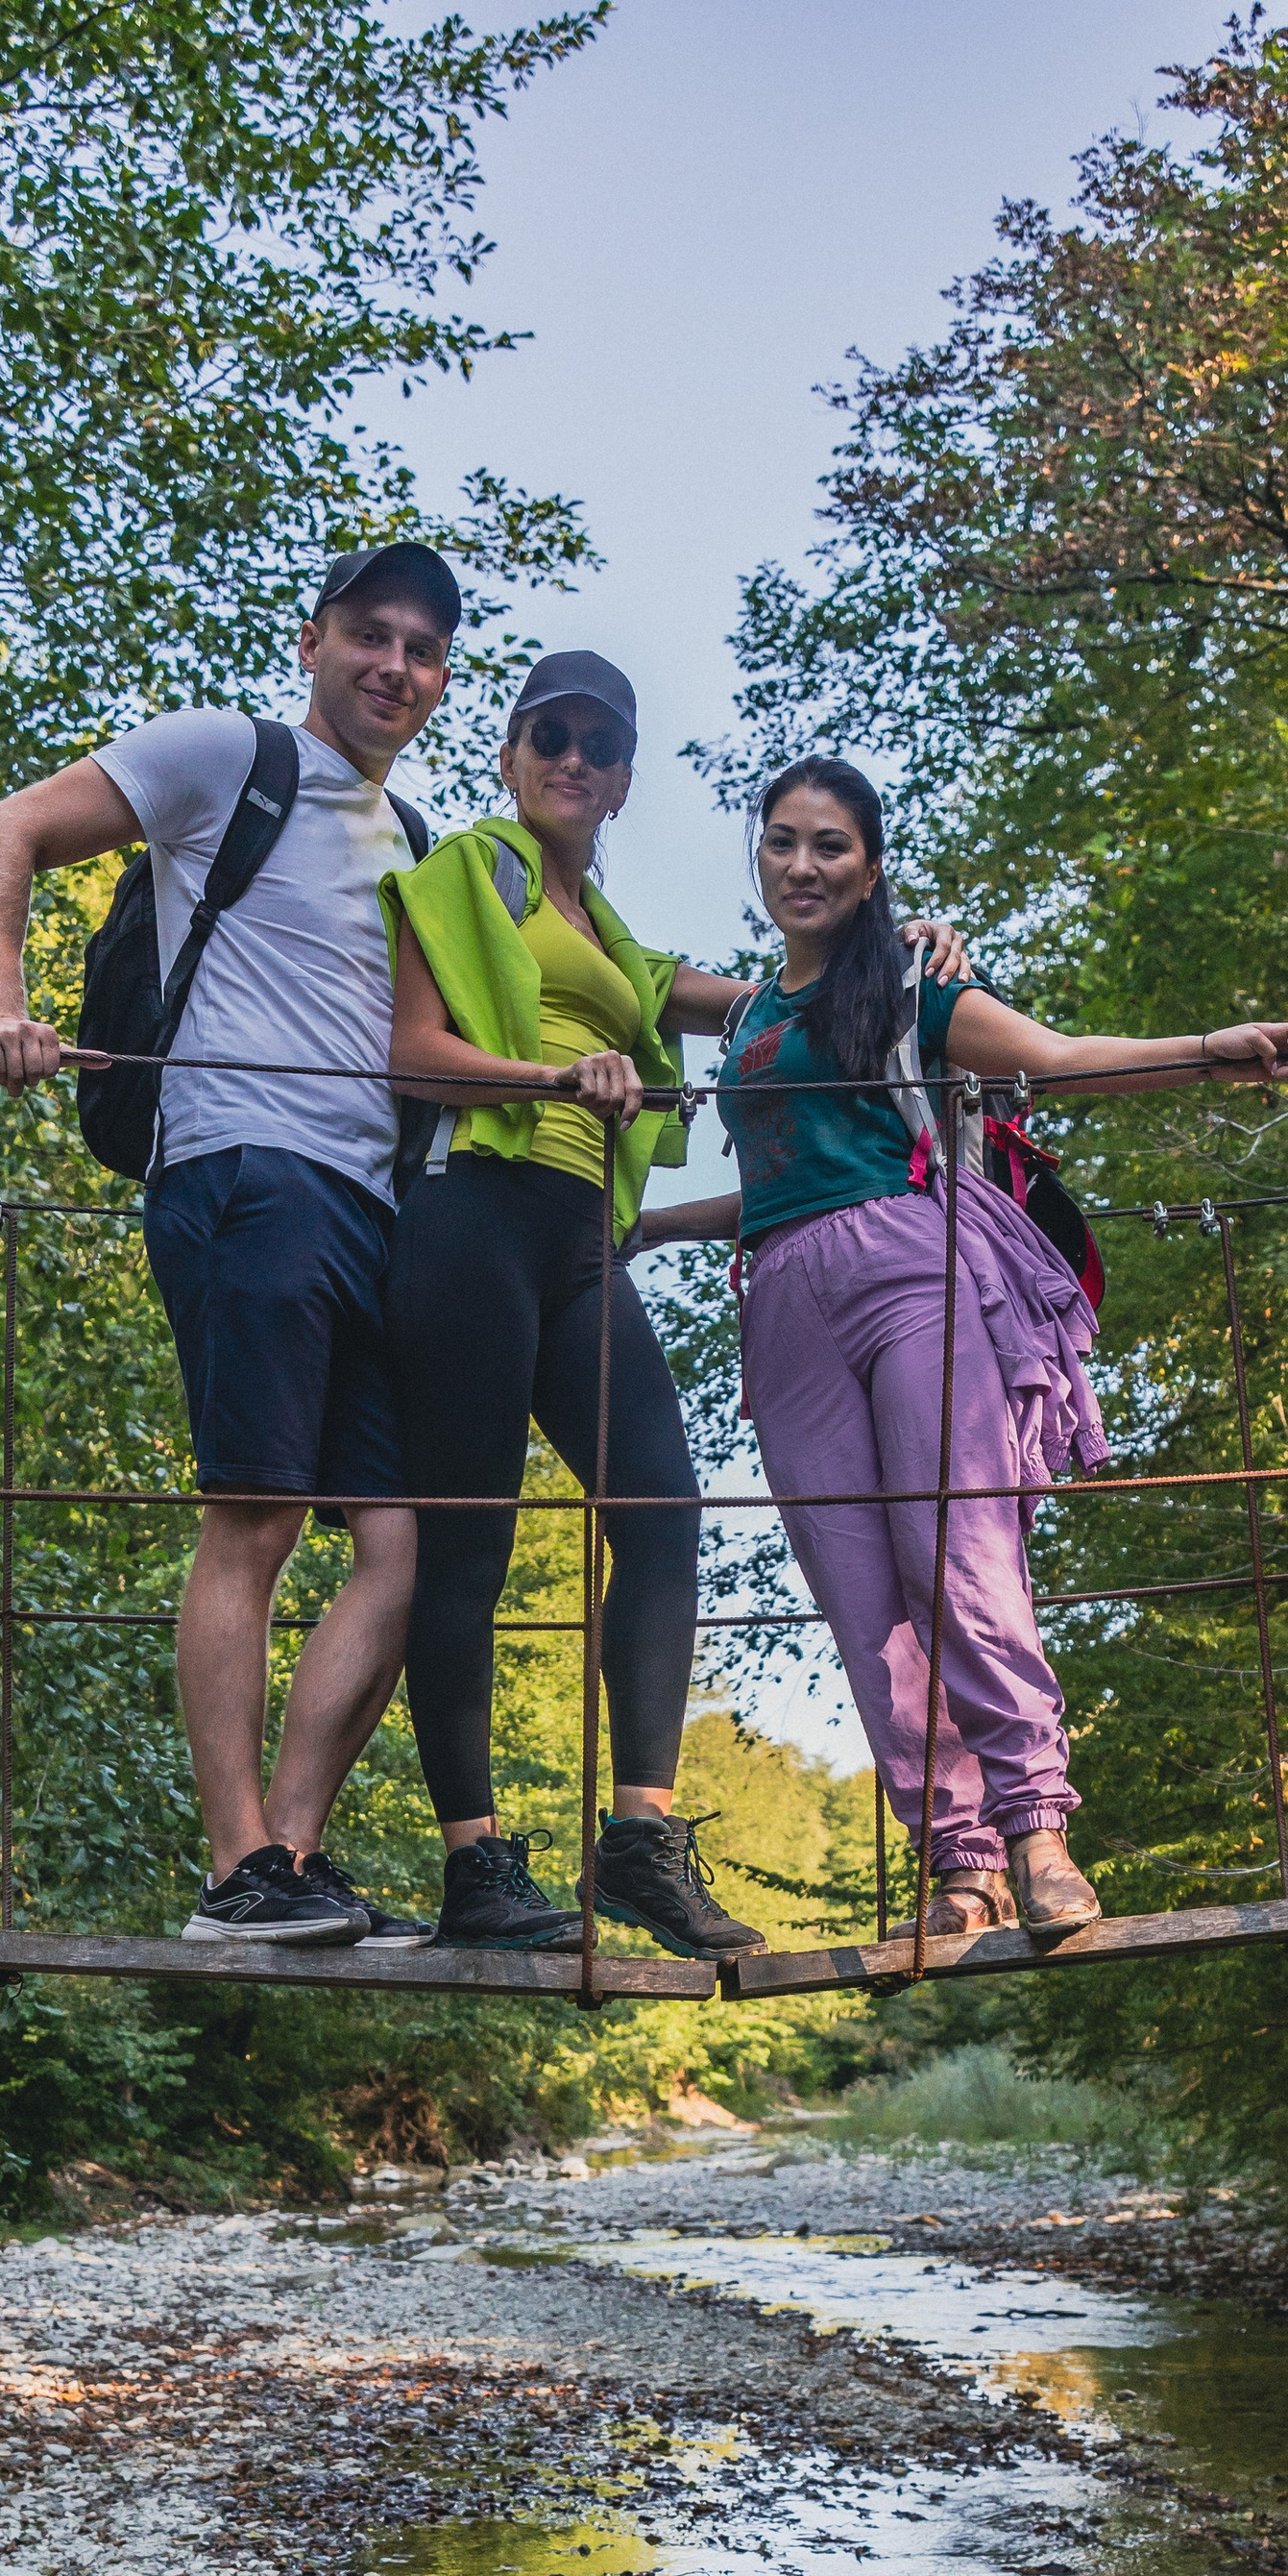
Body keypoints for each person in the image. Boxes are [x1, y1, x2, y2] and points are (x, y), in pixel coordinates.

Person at [634, 757, 1288, 1938]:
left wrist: (1213, 1049)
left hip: (914, 1273)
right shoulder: (750, 1018)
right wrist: (655, 1226)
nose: (803, 866)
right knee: (861, 1597)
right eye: (783, 843)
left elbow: (1051, 1059)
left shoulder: (909, 986)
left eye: (830, 847)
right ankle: (958, 1863)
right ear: (757, 856)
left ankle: (1037, 1828)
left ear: (869, 869)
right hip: (785, 1305)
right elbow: (771, 1185)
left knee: (955, 1553)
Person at [381, 655, 973, 1956]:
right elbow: (409, 1053)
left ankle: (639, 1841)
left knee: (659, 1508)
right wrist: (553, 1071)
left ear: (626, 779)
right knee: (470, 1542)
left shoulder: (618, 943)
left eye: (600, 744)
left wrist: (912, 943)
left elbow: (787, 999)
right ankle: (476, 1864)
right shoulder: (468, 872)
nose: (574, 759)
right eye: (552, 734)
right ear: (511, 752)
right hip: (475, 1210)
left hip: (583, 1239)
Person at [0, 544, 460, 1946]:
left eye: (422, 649)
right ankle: (235, 1864)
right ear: (314, 641)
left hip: (373, 1207)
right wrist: (4, 1001)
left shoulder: (419, 844)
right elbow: (7, 833)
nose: (393, 665)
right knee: (258, 1515)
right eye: (370, 633)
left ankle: (287, 1865)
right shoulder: (220, 756)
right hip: (242, 1170)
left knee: (410, 1544)